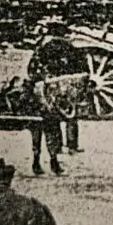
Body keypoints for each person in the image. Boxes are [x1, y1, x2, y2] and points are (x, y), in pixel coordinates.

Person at [29, 18, 89, 173]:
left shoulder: (42, 48)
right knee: (60, 123)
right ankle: (59, 157)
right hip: (63, 93)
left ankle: (37, 161)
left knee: (39, 127)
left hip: (43, 92)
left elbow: (32, 70)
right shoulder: (70, 48)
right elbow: (82, 70)